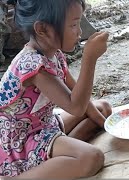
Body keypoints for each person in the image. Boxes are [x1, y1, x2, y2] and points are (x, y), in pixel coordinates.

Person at [0, 0, 112, 178]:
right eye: (74, 24)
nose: (80, 32)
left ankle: (54, 157)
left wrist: (108, 126)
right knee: (93, 157)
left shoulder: (54, 54)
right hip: (20, 141)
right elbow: (76, 107)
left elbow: (76, 93)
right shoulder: (32, 67)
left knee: (103, 108)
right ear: (42, 29)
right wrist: (89, 58)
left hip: (43, 125)